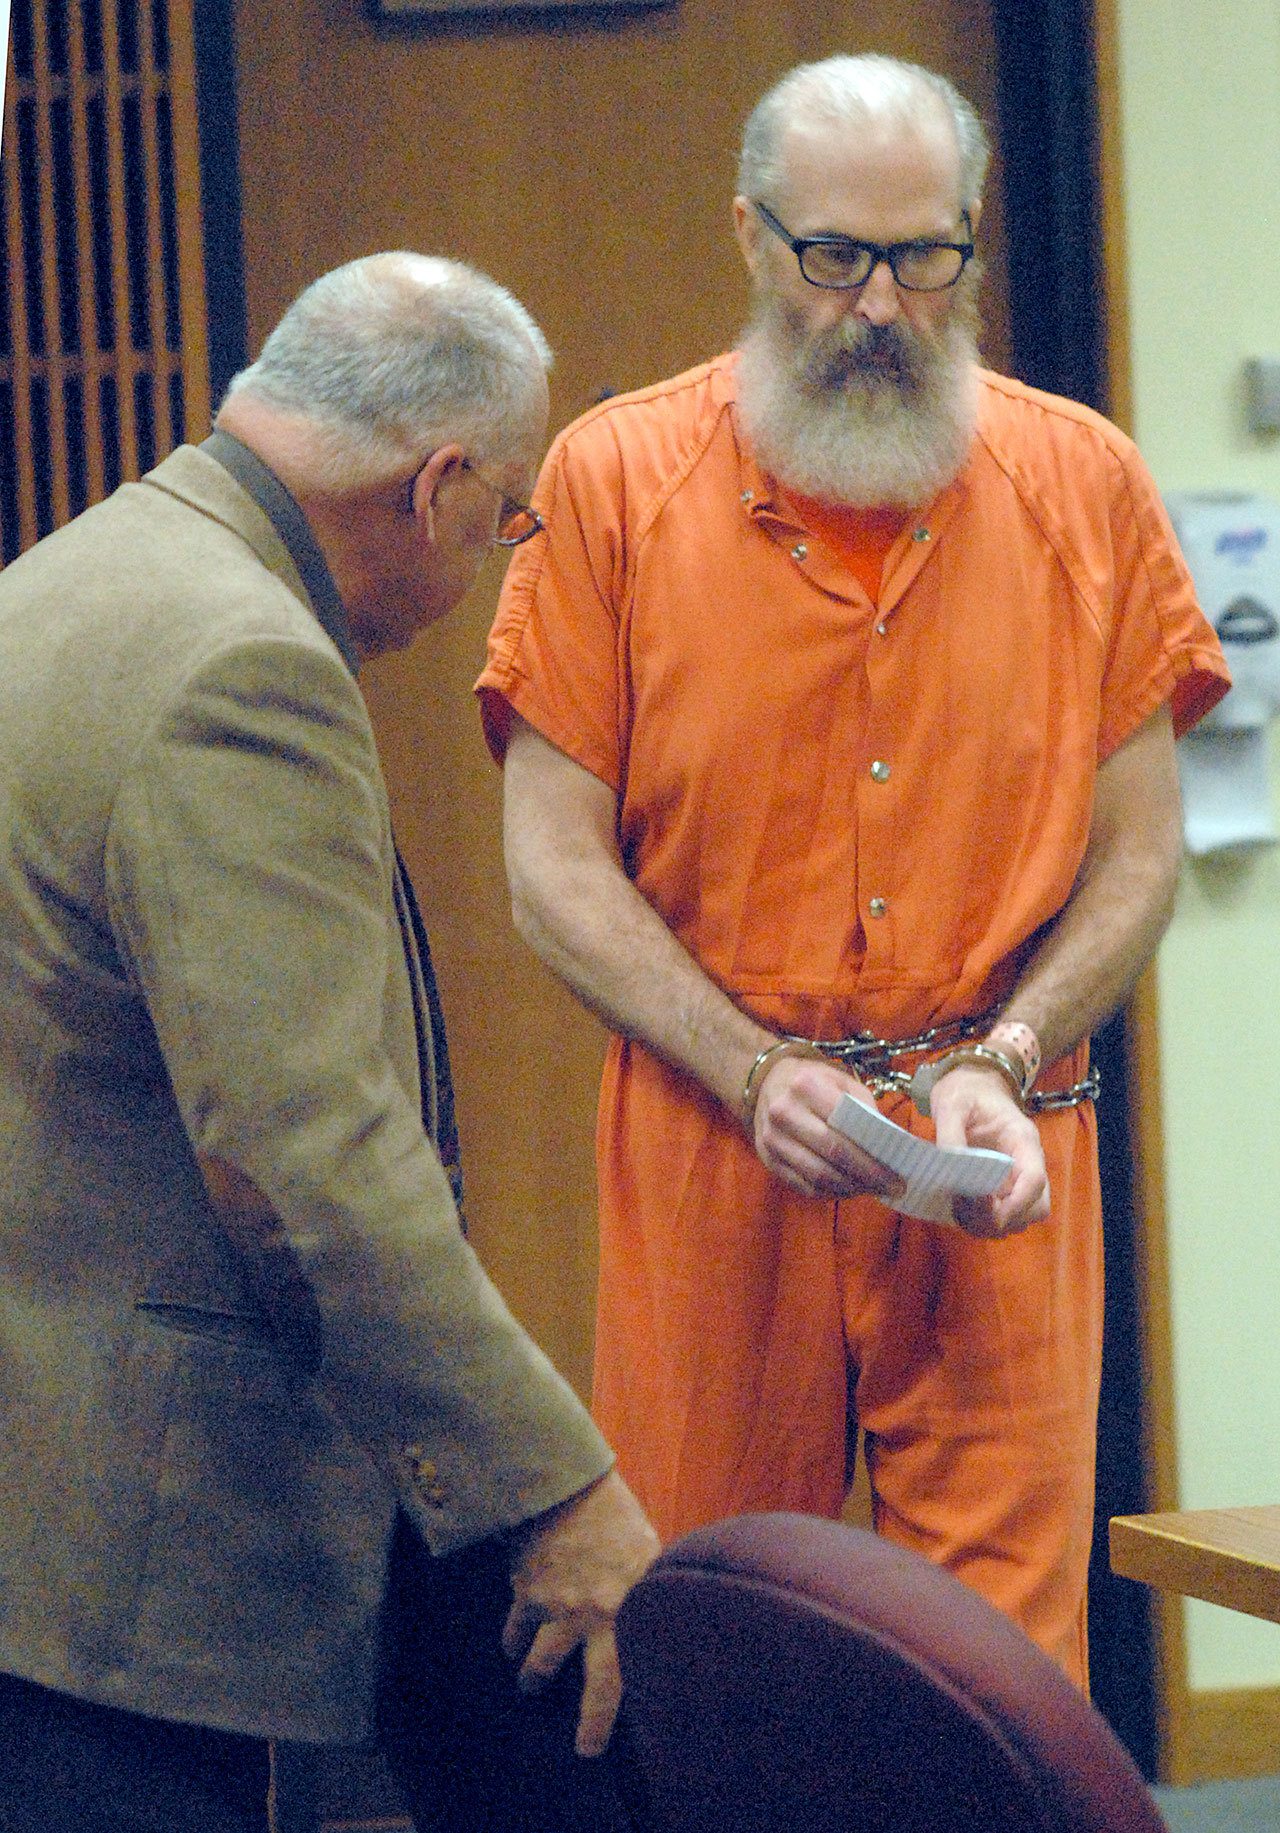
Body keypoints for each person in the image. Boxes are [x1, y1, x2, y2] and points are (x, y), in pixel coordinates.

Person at [477, 56, 1230, 1692]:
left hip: (995, 1142)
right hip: (716, 1134)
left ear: (972, 241)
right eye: (834, 257)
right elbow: (549, 866)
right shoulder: (615, 481)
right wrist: (751, 1067)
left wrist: (1007, 1052)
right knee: (698, 1632)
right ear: (752, 239)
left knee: (996, 1676)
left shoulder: (1084, 481)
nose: (880, 306)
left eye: (924, 257)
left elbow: (1141, 849)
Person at [0, 251, 658, 1833]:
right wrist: (553, 1486)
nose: (493, 561)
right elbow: (309, 1166)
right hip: (140, 1536)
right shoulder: (250, 668)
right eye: (507, 521)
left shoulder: (64, 580)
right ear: (438, 488)